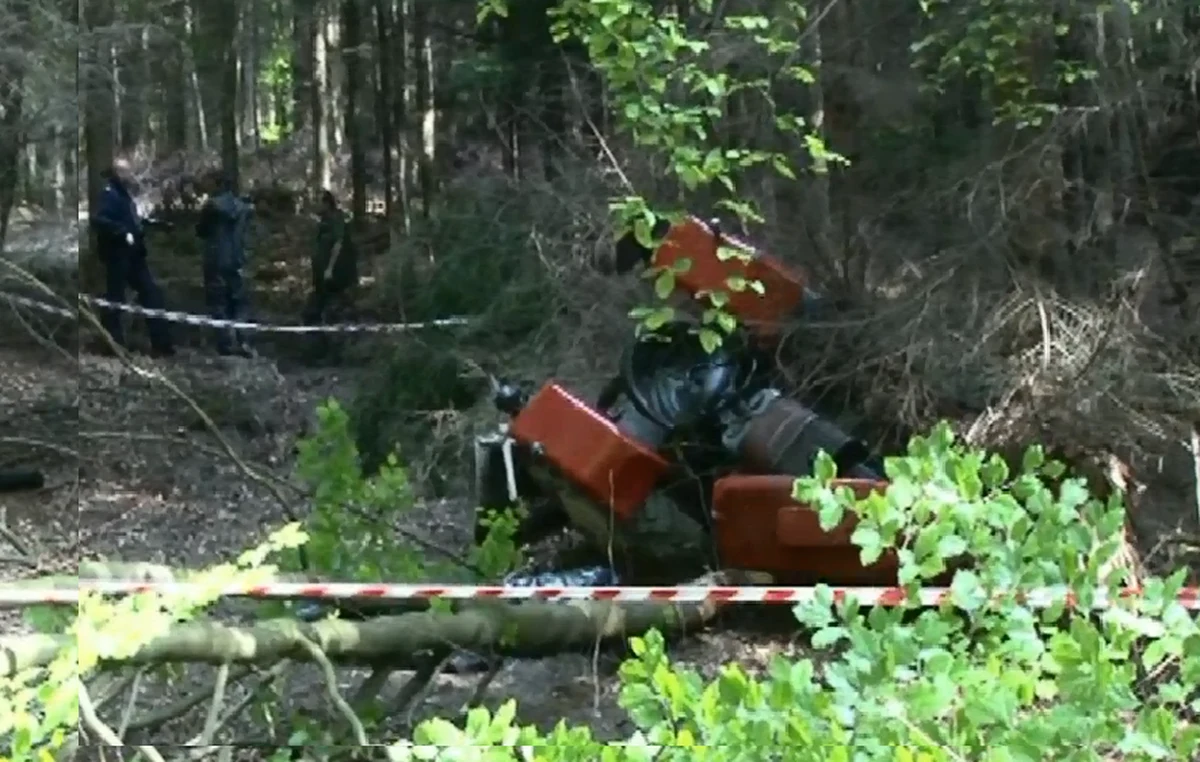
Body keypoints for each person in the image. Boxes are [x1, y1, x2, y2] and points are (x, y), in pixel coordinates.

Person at [90, 158, 175, 356]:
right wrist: (122, 232)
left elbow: (131, 219)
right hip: (117, 256)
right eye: (126, 172)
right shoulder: (109, 193)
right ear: (117, 173)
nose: (130, 175)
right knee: (115, 300)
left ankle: (162, 345)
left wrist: (153, 225)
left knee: (151, 295)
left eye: (129, 171)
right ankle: (112, 345)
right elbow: (100, 219)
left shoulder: (124, 194)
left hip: (135, 255)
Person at [195, 173, 254, 357]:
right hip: (236, 259)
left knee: (218, 300)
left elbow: (201, 230)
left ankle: (226, 344)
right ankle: (243, 340)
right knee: (238, 301)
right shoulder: (243, 207)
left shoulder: (211, 206)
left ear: (217, 184)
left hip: (216, 259)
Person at [302, 190, 358, 325]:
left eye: (319, 201)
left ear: (327, 203)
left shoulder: (336, 219)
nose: (316, 204)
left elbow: (338, 244)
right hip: (322, 273)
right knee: (320, 301)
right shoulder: (324, 220)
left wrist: (330, 268)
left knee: (333, 301)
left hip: (335, 272)